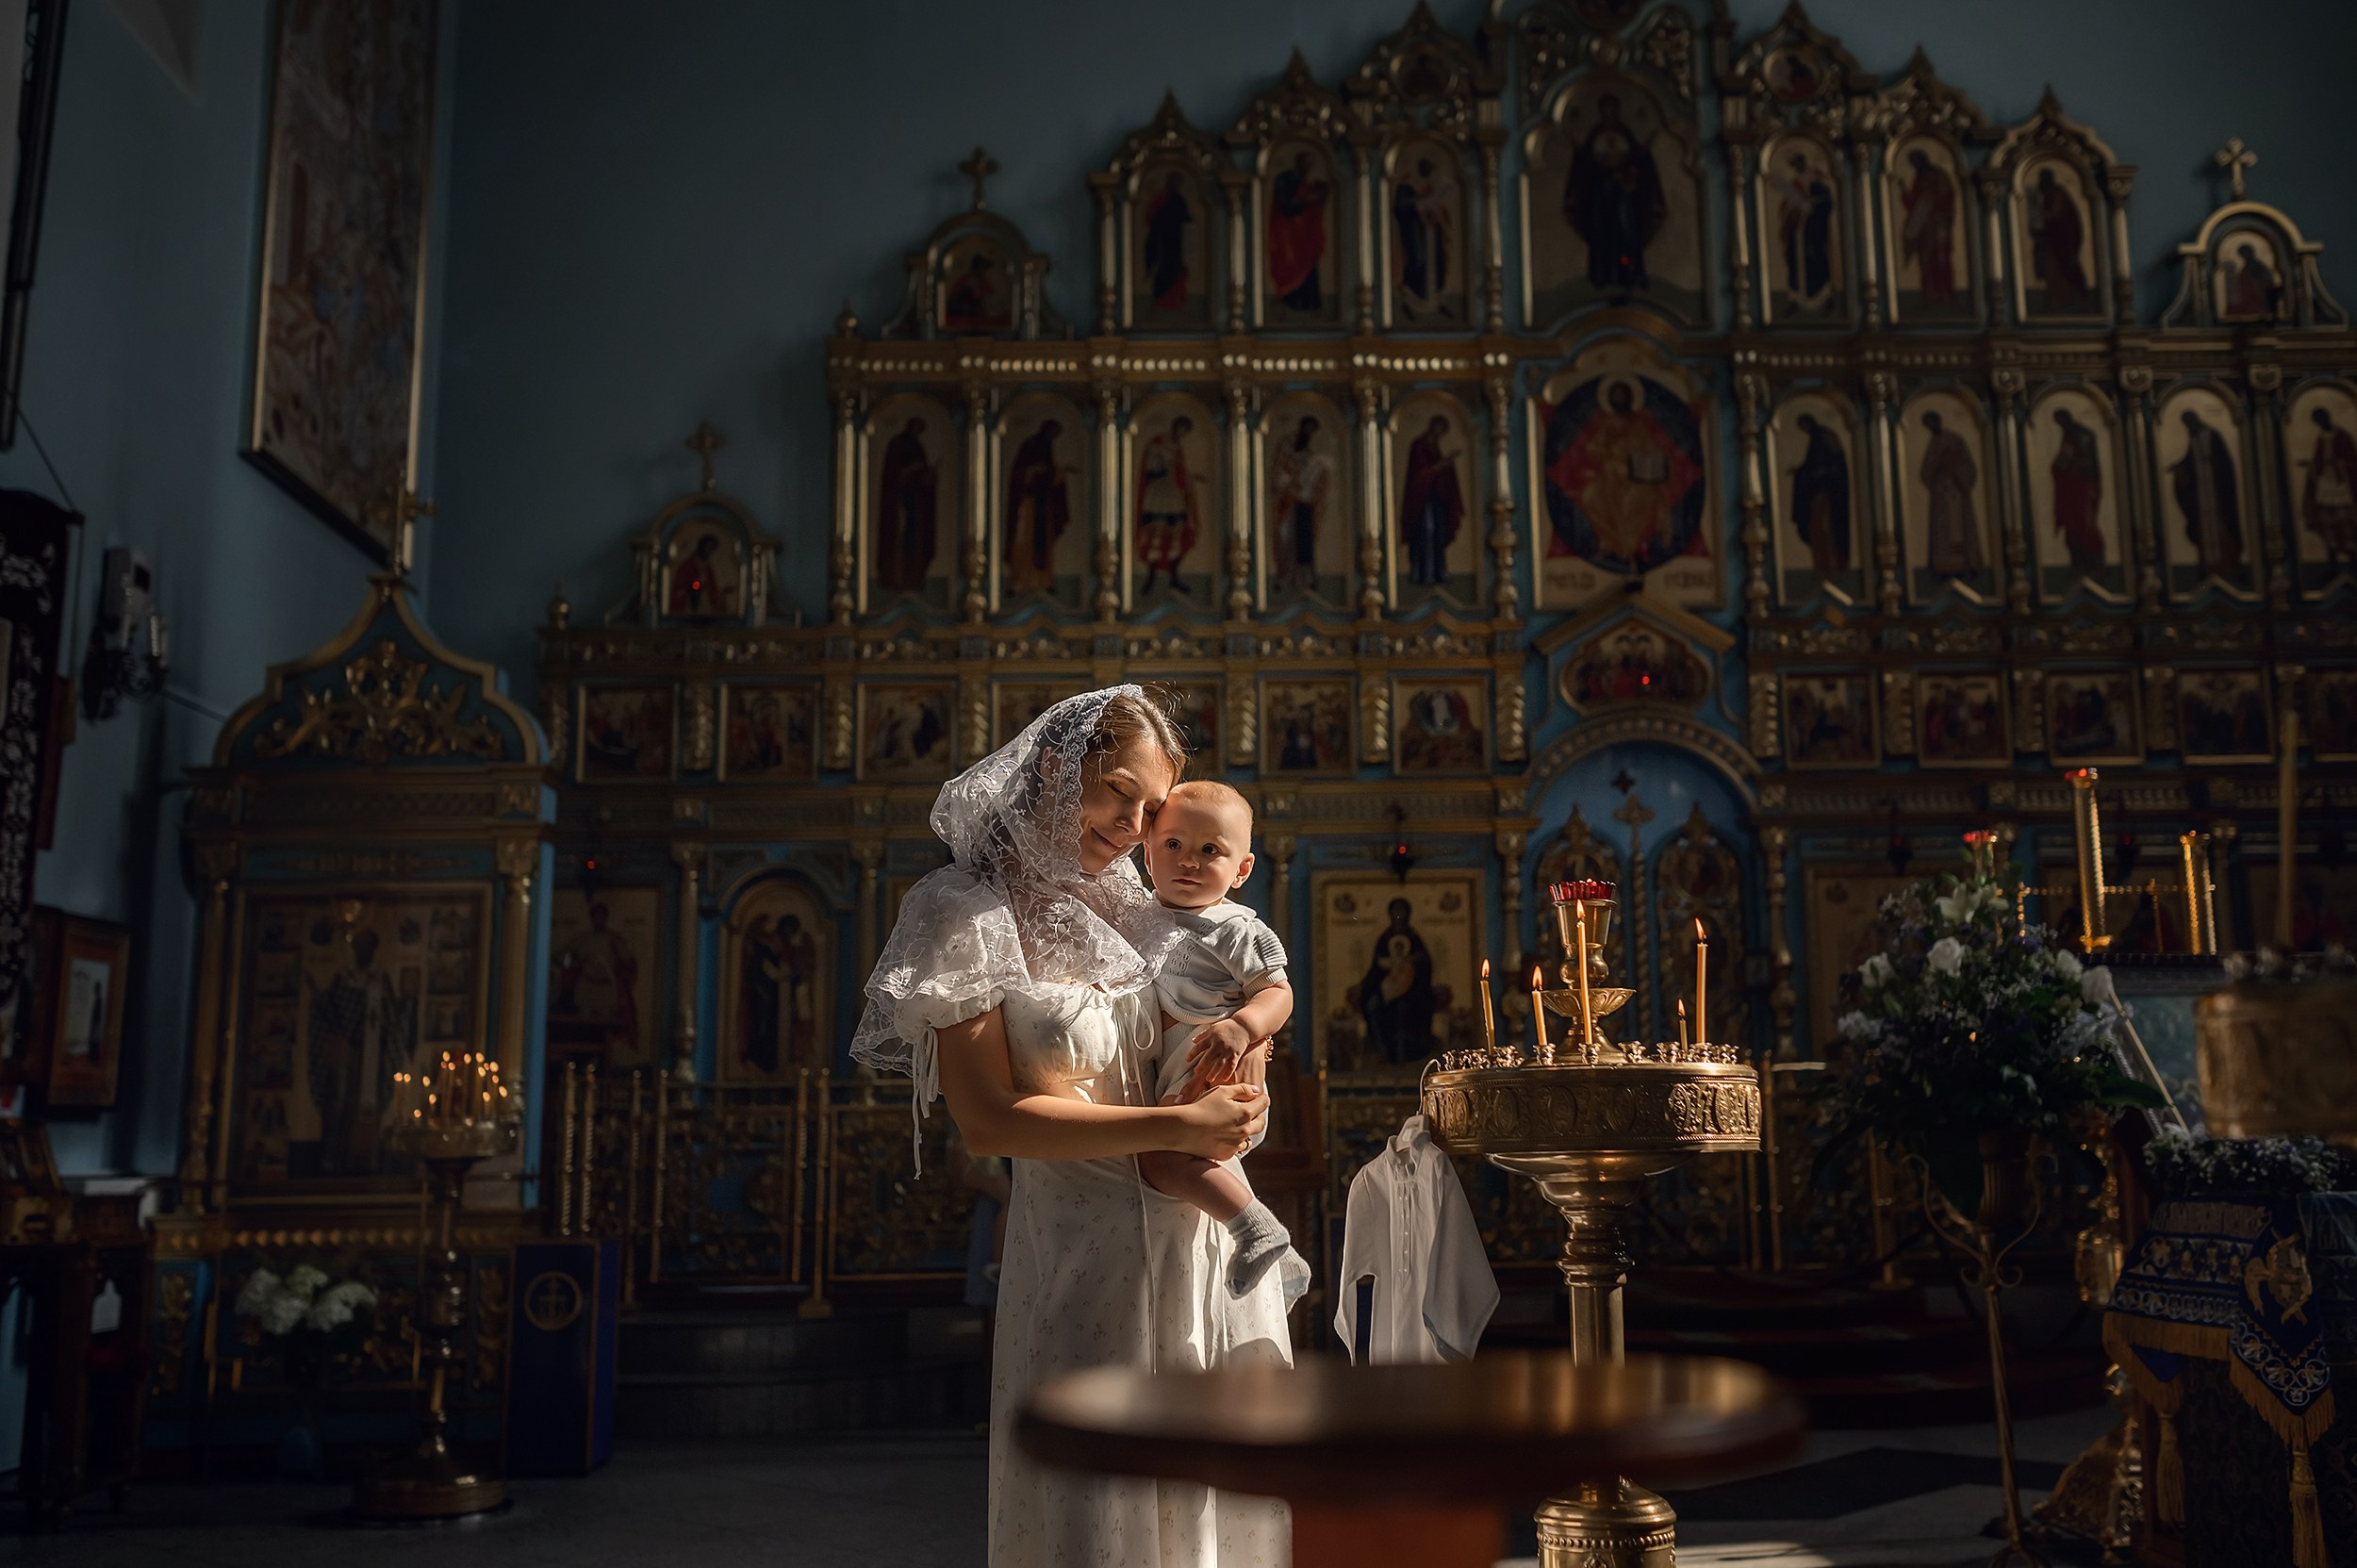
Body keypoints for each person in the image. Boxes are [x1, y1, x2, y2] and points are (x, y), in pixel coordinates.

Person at [852, 687, 1288, 1567]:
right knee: (1098, 1519)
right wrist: (1177, 1121)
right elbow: (988, 1120)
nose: (1135, 825)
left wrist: (1247, 1084)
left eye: (1152, 808)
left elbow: (1214, 1008)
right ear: (1055, 768)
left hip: (1205, 1247)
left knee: (1212, 1515)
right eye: (1119, 793)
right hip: (1081, 1266)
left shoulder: (1137, 898)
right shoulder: (962, 911)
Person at [1133, 781, 1309, 1299]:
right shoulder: (1137, 917)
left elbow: (1279, 993)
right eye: (1173, 845)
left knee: (1161, 1159)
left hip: (1212, 1063)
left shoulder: (1235, 930)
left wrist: (1244, 1027)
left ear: (1242, 870)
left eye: (1210, 851)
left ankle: (1257, 1228)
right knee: (1163, 1159)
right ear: (1147, 853)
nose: (1189, 861)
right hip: (1172, 1065)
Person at [1562, 92, 1665, 292]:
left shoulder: (1626, 134)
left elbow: (1638, 161)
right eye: (1606, 110)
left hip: (1624, 198)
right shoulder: (1595, 134)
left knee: (1627, 236)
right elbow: (1586, 167)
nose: (1609, 114)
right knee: (1602, 238)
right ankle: (1603, 275)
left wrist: (1629, 173)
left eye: (1613, 109)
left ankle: (1631, 274)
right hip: (1601, 198)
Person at [2170, 410, 2244, 578]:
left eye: (2189, 423)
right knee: (2204, 527)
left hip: (2216, 490)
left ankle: (2230, 566)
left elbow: (2223, 464)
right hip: (2202, 491)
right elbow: (2189, 461)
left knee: (2221, 524)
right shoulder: (2194, 439)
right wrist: (2179, 467)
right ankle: (2209, 567)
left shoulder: (2212, 435)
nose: (2189, 427)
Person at [1399, 415, 1464, 586]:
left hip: (1436, 498)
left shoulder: (1434, 447)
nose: (1439, 433)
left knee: (1438, 534)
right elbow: (1422, 474)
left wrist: (1446, 467)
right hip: (1421, 499)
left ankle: (1438, 573)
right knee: (1426, 534)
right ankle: (1424, 574)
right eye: (1439, 429)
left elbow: (1437, 473)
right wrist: (1445, 463)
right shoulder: (1419, 446)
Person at [875, 416, 938, 593]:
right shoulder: (897, 444)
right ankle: (895, 577)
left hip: (915, 500)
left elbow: (922, 477)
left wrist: (927, 473)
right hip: (899, 499)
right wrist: (910, 470)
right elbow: (894, 474)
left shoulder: (917, 446)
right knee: (900, 533)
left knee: (914, 534)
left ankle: (913, 577)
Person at [1919, 410, 1983, 575]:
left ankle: (1968, 564)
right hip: (1941, 492)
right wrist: (1938, 467)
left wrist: (1956, 469)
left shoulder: (1955, 439)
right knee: (1944, 529)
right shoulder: (1933, 444)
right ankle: (1944, 567)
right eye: (1928, 425)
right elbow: (1926, 471)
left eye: (1932, 423)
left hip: (1958, 490)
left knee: (1960, 526)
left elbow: (1969, 466)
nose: (1931, 427)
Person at [1271, 414, 1330, 591]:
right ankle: (1284, 577)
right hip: (1286, 502)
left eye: (1312, 431)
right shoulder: (1286, 445)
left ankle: (1306, 578)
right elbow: (1277, 471)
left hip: (1303, 503)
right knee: (1285, 538)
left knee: (1304, 540)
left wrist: (1312, 488)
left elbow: (1314, 478)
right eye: (1308, 428)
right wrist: (1290, 483)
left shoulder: (1310, 455)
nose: (1309, 433)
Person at [1788, 412, 1851, 578]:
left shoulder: (1826, 436)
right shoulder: (1815, 439)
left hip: (1828, 489)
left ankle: (1833, 565)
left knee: (1826, 526)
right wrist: (1800, 471)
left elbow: (1836, 461)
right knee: (1816, 527)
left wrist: (1824, 471)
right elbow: (1812, 464)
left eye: (1803, 426)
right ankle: (1822, 566)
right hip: (1817, 488)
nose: (1804, 430)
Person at [1267, 151, 1329, 312]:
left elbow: (1315, 202)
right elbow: (1285, 204)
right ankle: (1289, 299)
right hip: (1287, 233)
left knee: (1307, 266)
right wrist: (1305, 201)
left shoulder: (1307, 183)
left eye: (1309, 165)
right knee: (1288, 263)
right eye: (1305, 163)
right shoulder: (1287, 179)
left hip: (1304, 235)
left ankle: (1308, 303)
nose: (1307, 168)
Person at [1895, 148, 1958, 307]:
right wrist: (1904, 189)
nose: (1915, 166)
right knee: (1926, 261)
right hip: (1924, 228)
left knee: (1940, 259)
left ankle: (1945, 294)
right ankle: (1930, 295)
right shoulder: (1919, 178)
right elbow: (1913, 204)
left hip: (1938, 226)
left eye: (1916, 162)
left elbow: (1947, 197)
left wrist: (1934, 197)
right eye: (1913, 163)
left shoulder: (1938, 175)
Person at [2049, 406, 2106, 572]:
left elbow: (2065, 459)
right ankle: (2083, 564)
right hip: (2080, 486)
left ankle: (2092, 564)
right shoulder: (2080, 433)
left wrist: (2057, 468)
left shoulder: (2074, 435)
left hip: (2080, 486)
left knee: (2082, 524)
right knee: (2076, 525)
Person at [2299, 405, 2357, 565]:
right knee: (2327, 519)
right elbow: (2319, 460)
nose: (2319, 423)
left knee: (2345, 520)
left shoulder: (2342, 436)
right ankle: (2331, 557)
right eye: (2317, 421)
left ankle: (2352, 557)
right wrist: (2310, 465)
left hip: (2341, 482)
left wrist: (2339, 465)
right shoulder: (2321, 437)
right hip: (2325, 481)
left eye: (2321, 420)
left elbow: (2351, 458)